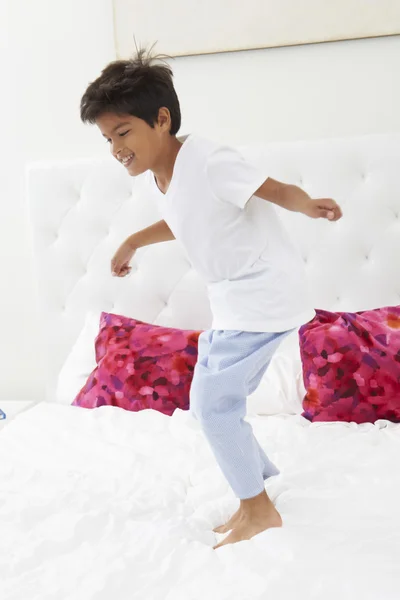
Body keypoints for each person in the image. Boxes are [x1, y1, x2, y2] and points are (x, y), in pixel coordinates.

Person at [80, 49, 342, 549]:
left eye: (123, 133)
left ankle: (258, 508)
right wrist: (133, 239)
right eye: (107, 138)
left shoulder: (207, 159)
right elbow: (184, 220)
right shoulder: (164, 176)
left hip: (262, 293)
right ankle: (257, 479)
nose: (115, 148)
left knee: (213, 405)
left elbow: (271, 188)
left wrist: (307, 204)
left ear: (161, 120)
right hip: (236, 298)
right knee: (213, 403)